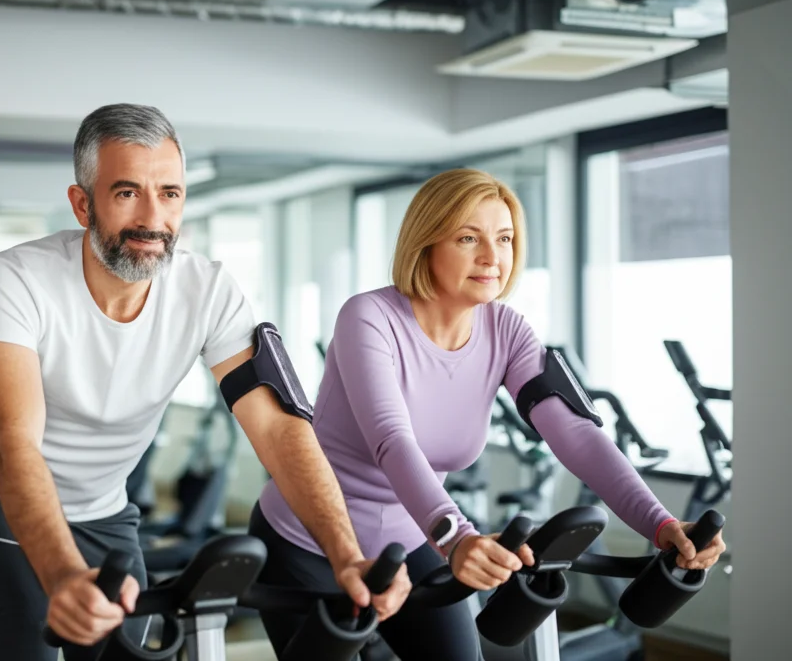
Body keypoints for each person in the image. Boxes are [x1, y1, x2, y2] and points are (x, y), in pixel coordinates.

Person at [0, 103, 411, 661]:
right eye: (127, 193)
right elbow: (12, 441)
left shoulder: (209, 291)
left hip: (102, 512)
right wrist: (61, 574)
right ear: (83, 204)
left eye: (170, 194)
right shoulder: (16, 279)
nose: (153, 219)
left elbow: (279, 430)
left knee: (127, 651)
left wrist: (347, 557)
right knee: (34, 617)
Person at [250, 168, 727, 660]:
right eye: (468, 237)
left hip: (412, 541)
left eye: (504, 238)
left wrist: (661, 523)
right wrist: (458, 538)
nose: (492, 256)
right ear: (426, 242)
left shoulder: (508, 330)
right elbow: (393, 440)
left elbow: (576, 436)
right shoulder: (368, 317)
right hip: (306, 542)